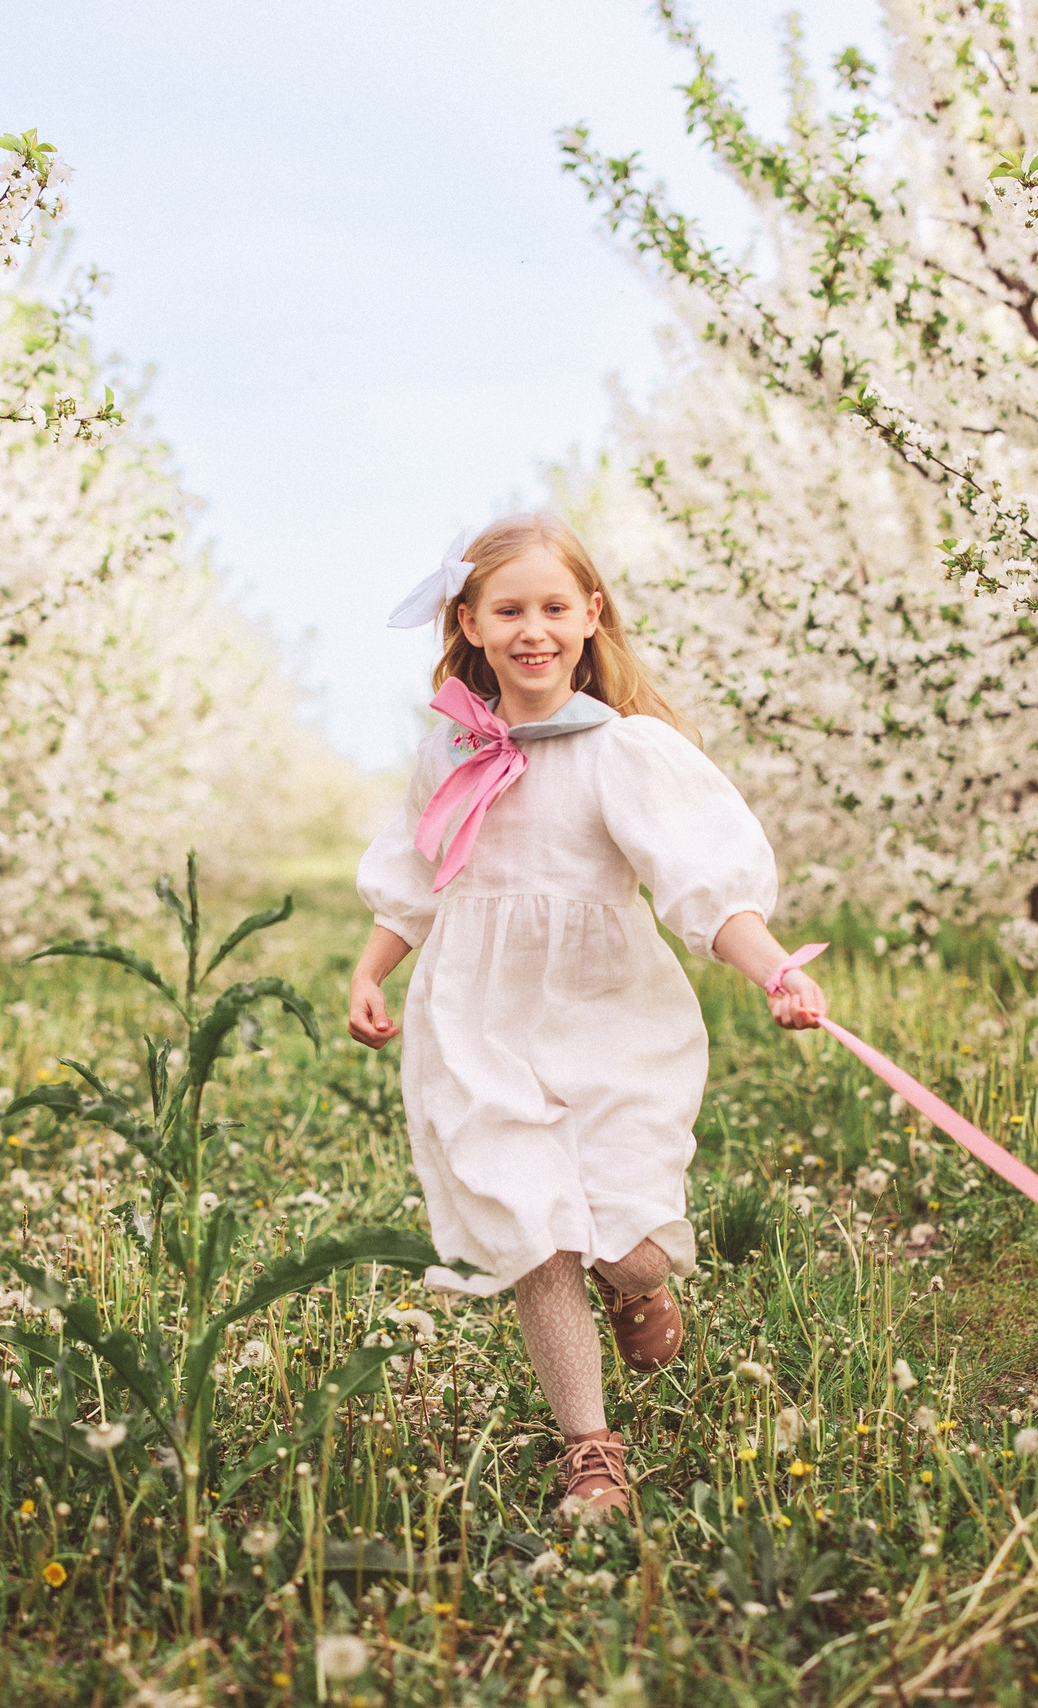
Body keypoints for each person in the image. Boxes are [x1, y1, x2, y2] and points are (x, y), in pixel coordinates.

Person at [349, 511, 825, 1521]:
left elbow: (701, 882)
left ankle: (638, 1283)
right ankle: (590, 1449)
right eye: (508, 609)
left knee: (622, 1229)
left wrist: (775, 967)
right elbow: (416, 873)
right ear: (468, 622)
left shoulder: (626, 751)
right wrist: (373, 968)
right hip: (480, 1017)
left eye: (553, 607)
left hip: (608, 1012)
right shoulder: (451, 749)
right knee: (534, 1226)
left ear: (589, 616)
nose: (533, 628)